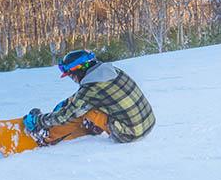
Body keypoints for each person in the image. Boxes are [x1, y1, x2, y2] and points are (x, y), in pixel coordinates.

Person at [22, 49, 155, 146]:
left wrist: (38, 121)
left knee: (83, 110)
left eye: (71, 75)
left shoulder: (91, 88)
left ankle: (47, 136)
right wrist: (69, 102)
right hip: (146, 124)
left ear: (79, 70)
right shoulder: (111, 71)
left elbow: (66, 115)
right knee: (85, 104)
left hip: (129, 134)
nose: (72, 79)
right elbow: (89, 96)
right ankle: (93, 125)